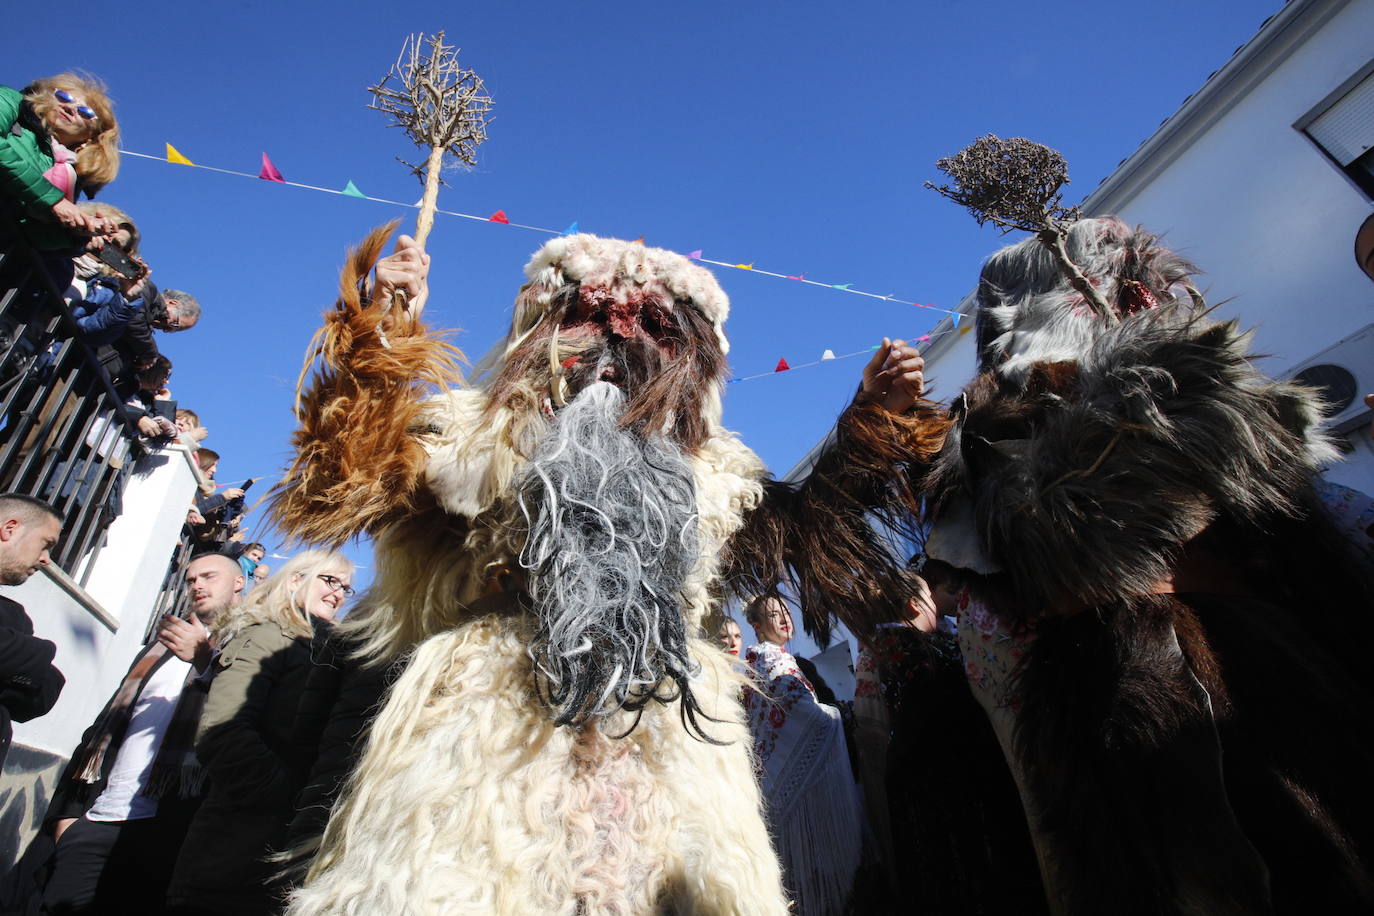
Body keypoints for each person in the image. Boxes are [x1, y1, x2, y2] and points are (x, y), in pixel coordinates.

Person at [267, 227, 933, 914]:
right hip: (488, 738)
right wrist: (385, 331)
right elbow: (339, 488)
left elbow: (807, 535)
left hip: (671, 745)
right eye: (587, 317)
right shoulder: (472, 438)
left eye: (651, 326)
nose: (616, 341)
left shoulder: (719, 473)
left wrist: (871, 422)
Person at [41, 553, 244, 915]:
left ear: (239, 582)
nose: (197, 585)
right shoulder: (160, 648)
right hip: (99, 821)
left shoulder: (249, 648)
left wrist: (206, 660)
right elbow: (106, 725)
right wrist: (69, 816)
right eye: (190, 579)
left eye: (209, 576)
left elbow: (248, 718)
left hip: (170, 830)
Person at [165, 550, 352, 915]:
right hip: (235, 850)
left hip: (290, 854)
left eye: (346, 588)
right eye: (330, 581)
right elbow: (223, 731)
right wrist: (287, 798)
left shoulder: (331, 651)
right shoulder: (266, 637)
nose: (339, 594)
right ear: (296, 580)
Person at [742, 595, 863, 916]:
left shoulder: (761, 662)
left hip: (779, 781)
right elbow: (806, 715)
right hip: (804, 782)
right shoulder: (771, 661)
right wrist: (837, 715)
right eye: (773, 614)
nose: (785, 619)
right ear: (756, 625)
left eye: (786, 612)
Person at [0, 493, 65, 769]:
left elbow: (44, 694)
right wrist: (42, 651)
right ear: (10, 529)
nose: (46, 559)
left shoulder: (13, 616)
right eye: (45, 544)